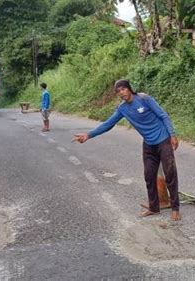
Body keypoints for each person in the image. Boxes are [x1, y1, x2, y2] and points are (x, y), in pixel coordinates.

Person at [72, 79, 181, 221]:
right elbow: (108, 124)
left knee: (170, 174)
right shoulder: (122, 108)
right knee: (149, 176)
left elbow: (163, 115)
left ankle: (175, 208)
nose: (121, 93)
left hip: (163, 140)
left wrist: (172, 135)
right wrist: (88, 135)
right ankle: (154, 208)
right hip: (148, 144)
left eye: (123, 89)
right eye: (118, 92)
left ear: (129, 88)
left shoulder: (144, 99)